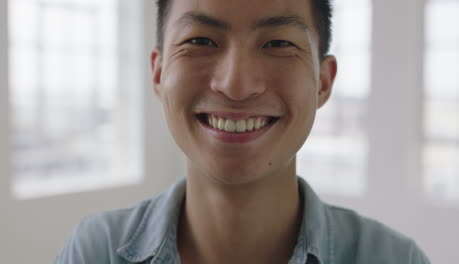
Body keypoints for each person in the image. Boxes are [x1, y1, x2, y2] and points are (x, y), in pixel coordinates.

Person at [53, 0, 431, 263]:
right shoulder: (97, 250)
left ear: (323, 82)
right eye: (200, 41)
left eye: (278, 43)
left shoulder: (396, 259)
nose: (236, 85)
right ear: (158, 72)